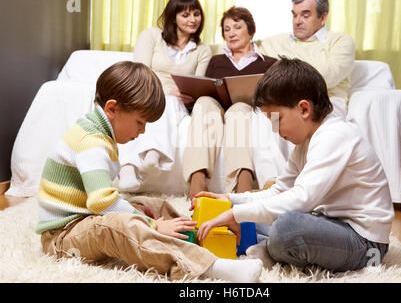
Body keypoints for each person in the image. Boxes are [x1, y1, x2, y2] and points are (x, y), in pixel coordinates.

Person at [36, 61, 262, 282]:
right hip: (62, 238)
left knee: (153, 205)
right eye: (139, 122)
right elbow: (102, 204)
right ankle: (208, 265)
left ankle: (196, 236)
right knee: (121, 225)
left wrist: (145, 214)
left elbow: (97, 199)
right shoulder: (91, 142)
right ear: (112, 109)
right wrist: (152, 225)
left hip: (84, 218)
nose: (142, 131)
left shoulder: (100, 134)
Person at [193, 58, 395, 272]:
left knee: (287, 228)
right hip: (331, 225)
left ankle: (268, 250)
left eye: (277, 120)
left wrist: (235, 215)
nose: (274, 130)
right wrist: (231, 200)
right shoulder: (304, 144)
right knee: (261, 214)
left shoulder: (335, 135)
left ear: (304, 109)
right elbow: (279, 191)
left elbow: (301, 199)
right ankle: (265, 245)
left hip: (366, 245)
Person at [118, 0, 212, 191]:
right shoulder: (152, 35)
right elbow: (139, 72)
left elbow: (198, 84)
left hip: (179, 102)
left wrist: (186, 94)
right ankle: (128, 168)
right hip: (147, 93)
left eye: (196, 14)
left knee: (170, 102)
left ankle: (151, 155)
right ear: (173, 17)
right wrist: (161, 91)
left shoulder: (202, 50)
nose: (193, 19)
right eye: (185, 15)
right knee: (158, 101)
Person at [183, 6, 277, 199]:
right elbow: (205, 87)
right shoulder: (216, 61)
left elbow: (275, 95)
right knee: (203, 103)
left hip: (247, 109)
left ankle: (243, 183)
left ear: (250, 31)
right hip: (217, 107)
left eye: (237, 27)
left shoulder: (269, 63)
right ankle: (197, 181)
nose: (231, 33)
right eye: (227, 30)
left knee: (238, 110)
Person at [256, 0, 355, 118]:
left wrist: (281, 79)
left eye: (305, 15)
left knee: (300, 120)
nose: (297, 21)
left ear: (323, 17)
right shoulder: (276, 41)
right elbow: (244, 48)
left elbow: (324, 77)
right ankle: (276, 134)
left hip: (325, 102)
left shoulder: (340, 41)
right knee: (269, 119)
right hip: (282, 103)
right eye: (294, 15)